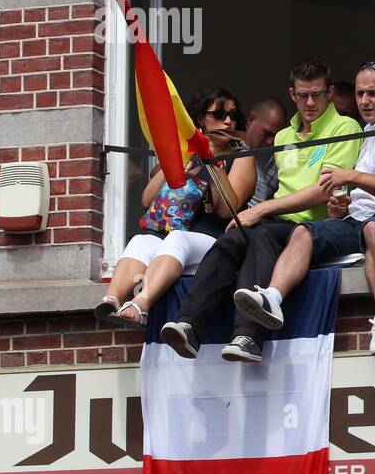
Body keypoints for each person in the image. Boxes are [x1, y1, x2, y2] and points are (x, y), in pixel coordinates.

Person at [160, 58, 364, 361]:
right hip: (280, 220)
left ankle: (247, 337)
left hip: (315, 227)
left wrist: (260, 209)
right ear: (291, 94)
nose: (310, 102)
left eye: (317, 95)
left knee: (262, 235)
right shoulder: (283, 136)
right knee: (230, 239)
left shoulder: (346, 127)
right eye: (303, 95)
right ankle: (188, 324)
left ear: (330, 93)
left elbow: (325, 191)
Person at [232, 61, 375, 354]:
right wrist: (340, 206)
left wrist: (351, 176)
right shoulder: (371, 128)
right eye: (360, 94)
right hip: (357, 219)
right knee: (304, 231)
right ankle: (272, 298)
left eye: (373, 93)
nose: (364, 101)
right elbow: (358, 189)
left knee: (373, 228)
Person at [94, 87, 257, 329]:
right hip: (168, 238)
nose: (228, 120)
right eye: (219, 114)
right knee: (141, 242)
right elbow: (147, 199)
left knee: (177, 239)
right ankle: (112, 299)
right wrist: (175, 163)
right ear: (201, 119)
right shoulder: (184, 152)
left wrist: (213, 163)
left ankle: (141, 305)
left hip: (212, 240)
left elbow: (227, 210)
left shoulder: (242, 157)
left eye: (233, 115)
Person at [243, 96, 288, 208]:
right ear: (250, 120)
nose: (270, 142)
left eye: (276, 136)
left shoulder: (275, 157)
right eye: (267, 133)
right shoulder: (231, 150)